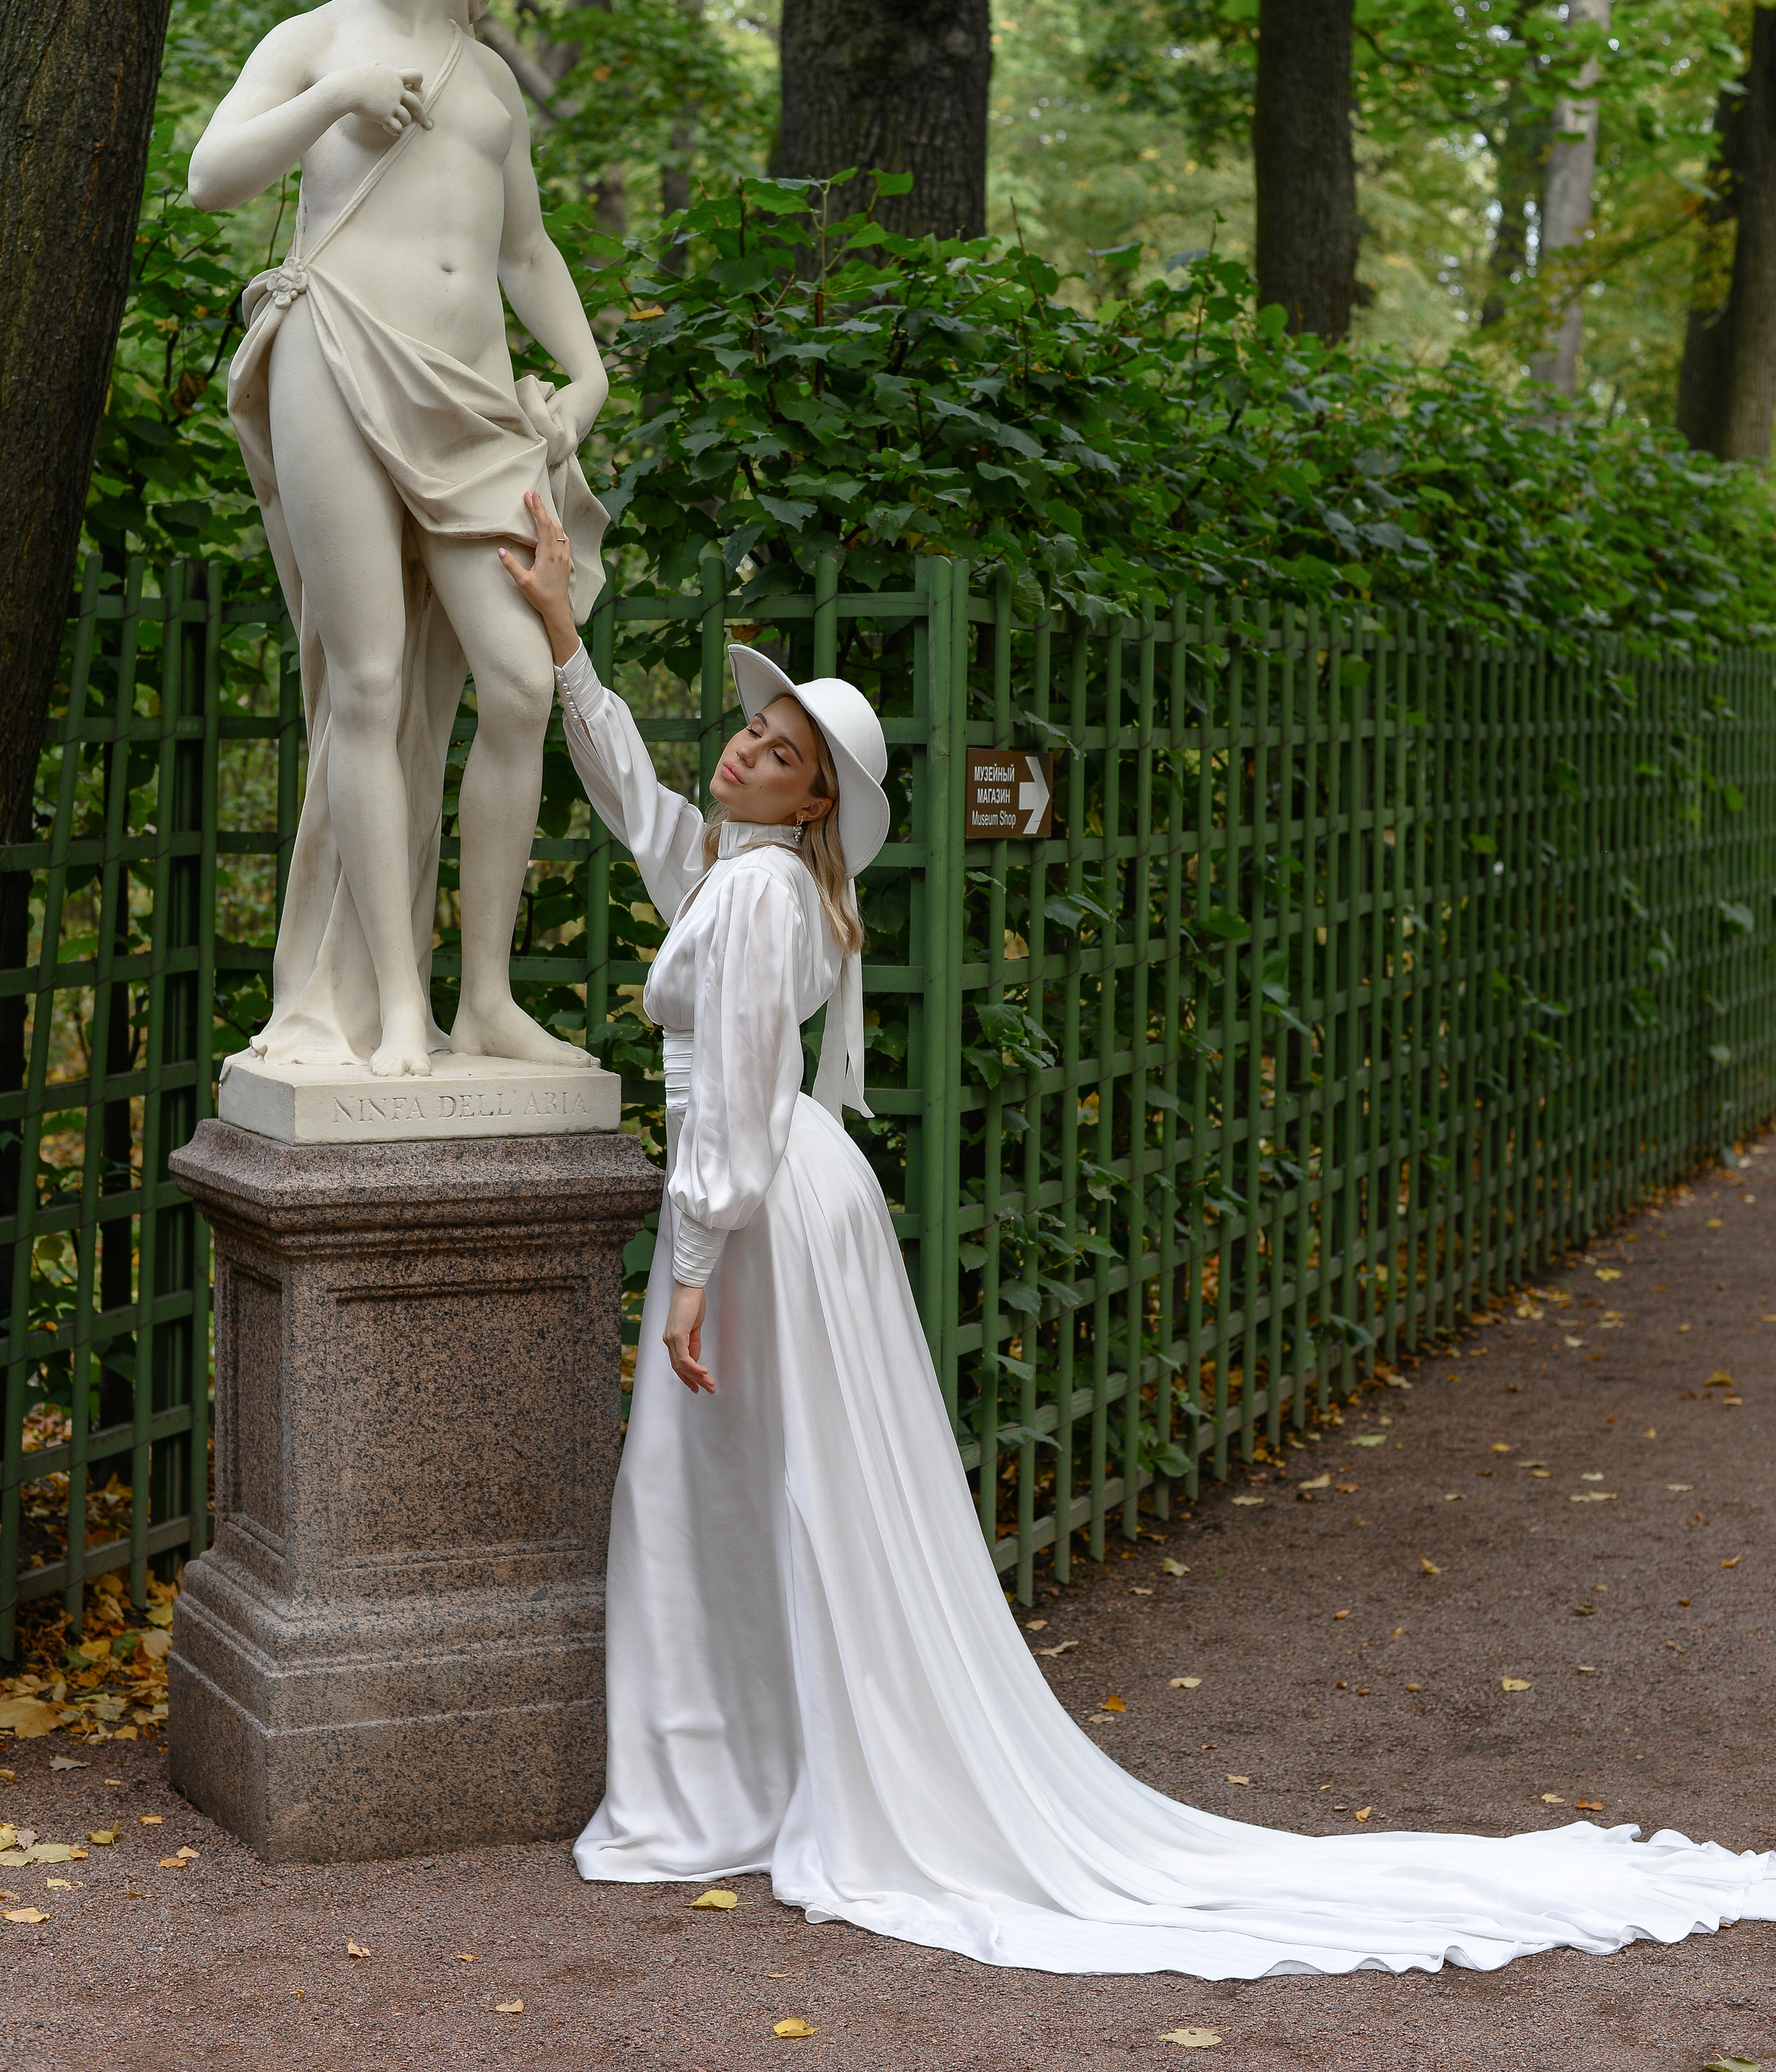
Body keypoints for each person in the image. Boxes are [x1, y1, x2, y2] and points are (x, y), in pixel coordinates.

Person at [503, 498, 1776, 1978]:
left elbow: (728, 1090)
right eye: (752, 730)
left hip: (759, 1206)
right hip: (789, 1199)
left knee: (713, 1484)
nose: (743, 751)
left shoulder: (758, 896)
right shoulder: (748, 877)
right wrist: (564, 637)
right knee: (773, 1488)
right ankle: (759, 1770)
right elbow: (641, 810)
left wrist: (692, 1272)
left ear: (812, 801)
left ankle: (720, 1788)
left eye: (778, 751)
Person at [189, 0, 607, 1076]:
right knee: (366, 683)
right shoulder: (315, 40)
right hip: (339, 359)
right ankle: (394, 1006)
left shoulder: (489, 81)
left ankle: (484, 998)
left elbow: (525, 250)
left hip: (474, 400)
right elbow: (210, 174)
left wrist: (589, 371)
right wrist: (335, 96)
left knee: (521, 683)